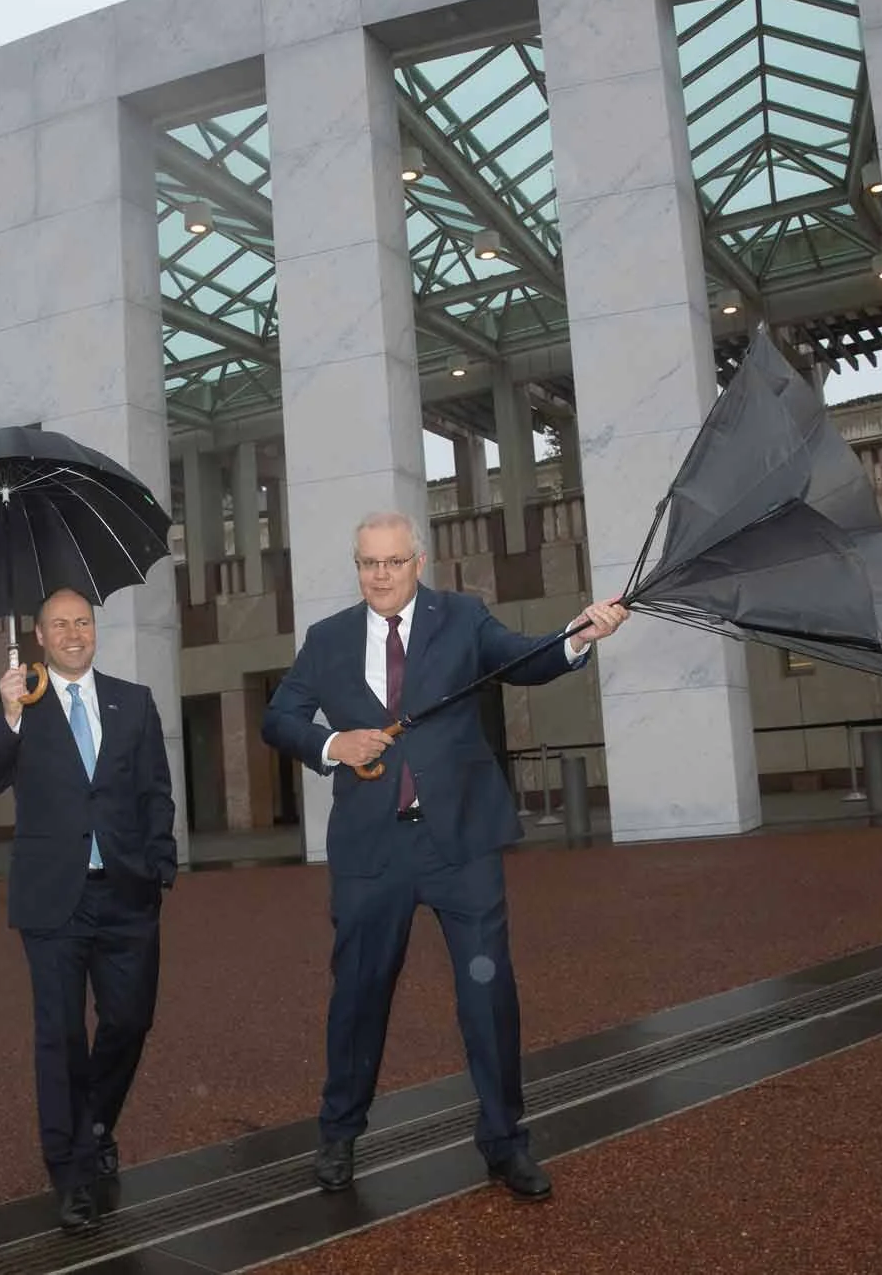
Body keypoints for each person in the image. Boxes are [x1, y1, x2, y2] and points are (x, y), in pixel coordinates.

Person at [261, 511, 628, 1202]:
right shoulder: (328, 637)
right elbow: (278, 717)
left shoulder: (462, 617)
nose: (380, 575)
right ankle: (339, 1132)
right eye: (368, 563)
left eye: (393, 562)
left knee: (488, 995)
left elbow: (524, 657)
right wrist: (335, 744)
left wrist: (578, 637)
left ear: (419, 561)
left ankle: (504, 1140)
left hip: (460, 842)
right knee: (359, 995)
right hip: (372, 850)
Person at [0, 587, 178, 1234]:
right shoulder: (17, 697)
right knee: (59, 1035)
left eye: (82, 621)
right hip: (52, 898)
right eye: (60, 624)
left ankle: (94, 1123)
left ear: (94, 628)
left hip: (126, 893)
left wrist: (159, 867)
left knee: (129, 1020)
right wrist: (9, 715)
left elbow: (156, 791)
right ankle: (72, 1170)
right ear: (39, 635)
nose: (73, 633)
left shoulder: (133, 701)